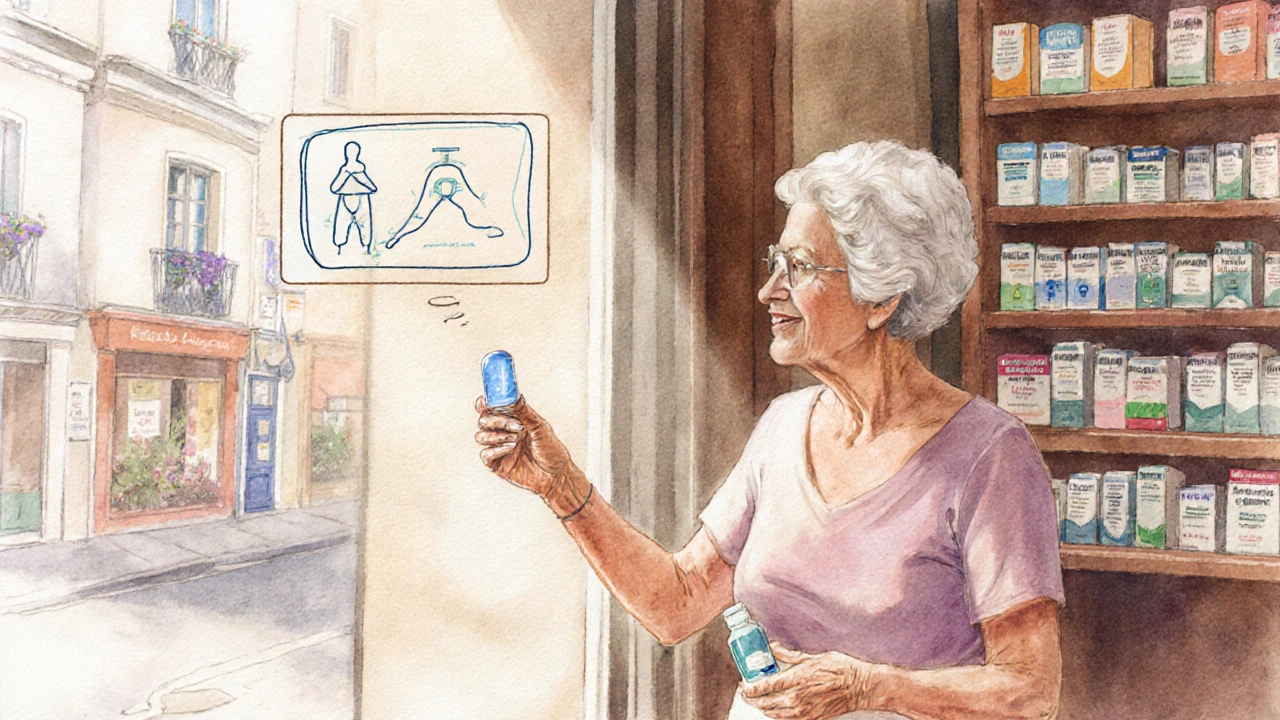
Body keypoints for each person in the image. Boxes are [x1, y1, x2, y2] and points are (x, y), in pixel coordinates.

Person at [476, 141, 1064, 720]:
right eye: (774, 263)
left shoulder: (988, 454)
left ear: (882, 297)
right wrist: (560, 486)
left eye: (800, 268)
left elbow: (1030, 690)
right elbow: (677, 603)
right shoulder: (783, 428)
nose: (769, 291)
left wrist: (868, 687)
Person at [329, 141, 377, 254]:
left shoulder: (361, 170)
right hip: (346, 198)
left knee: (365, 223)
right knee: (342, 223)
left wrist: (357, 174)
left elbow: (372, 187)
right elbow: (334, 188)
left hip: (361, 198)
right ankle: (339, 249)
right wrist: (346, 173)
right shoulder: (344, 170)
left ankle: (366, 248)